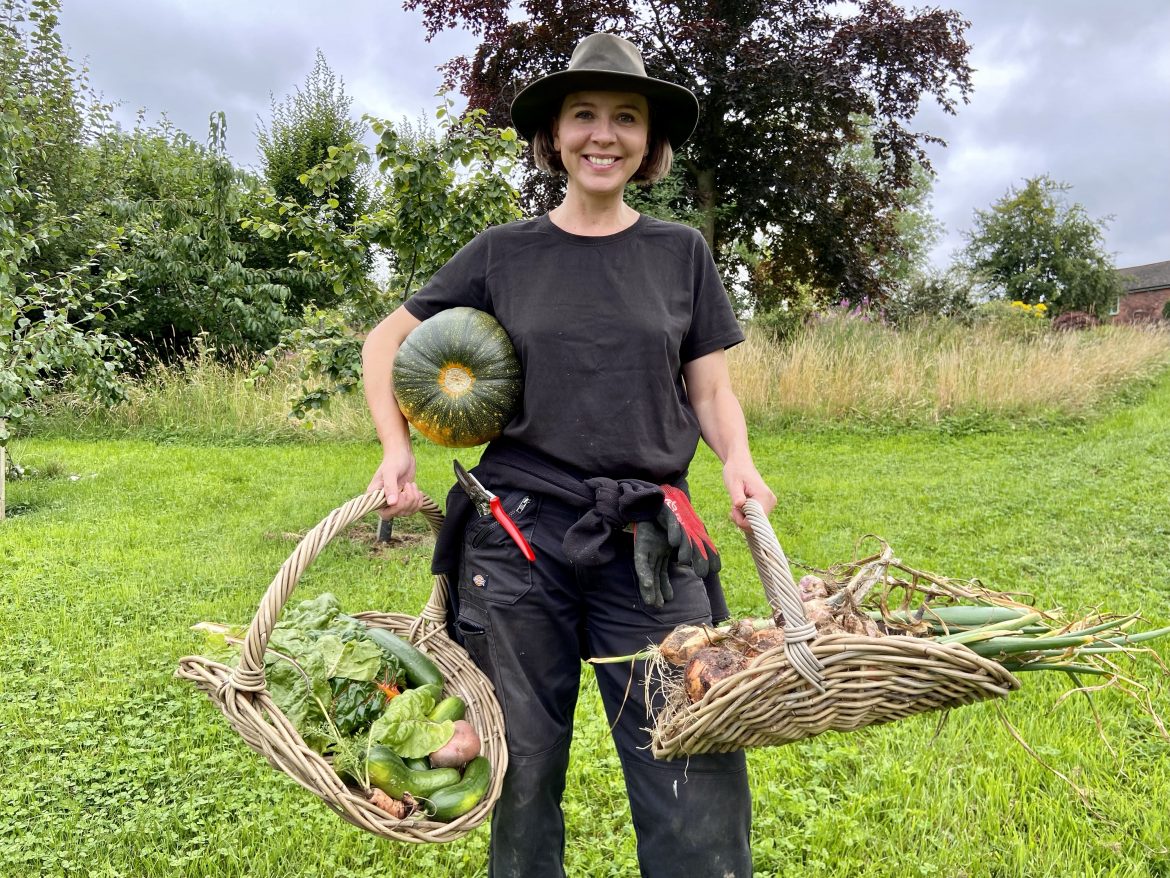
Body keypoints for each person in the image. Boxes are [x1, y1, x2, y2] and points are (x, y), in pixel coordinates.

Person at [361, 32, 776, 878]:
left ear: (649, 142)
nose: (603, 135)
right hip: (518, 543)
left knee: (692, 763)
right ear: (554, 135)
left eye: (626, 117)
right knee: (518, 775)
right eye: (584, 114)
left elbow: (710, 391)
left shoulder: (680, 253)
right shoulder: (502, 253)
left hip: (650, 542)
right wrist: (395, 451)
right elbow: (383, 343)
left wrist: (737, 458)